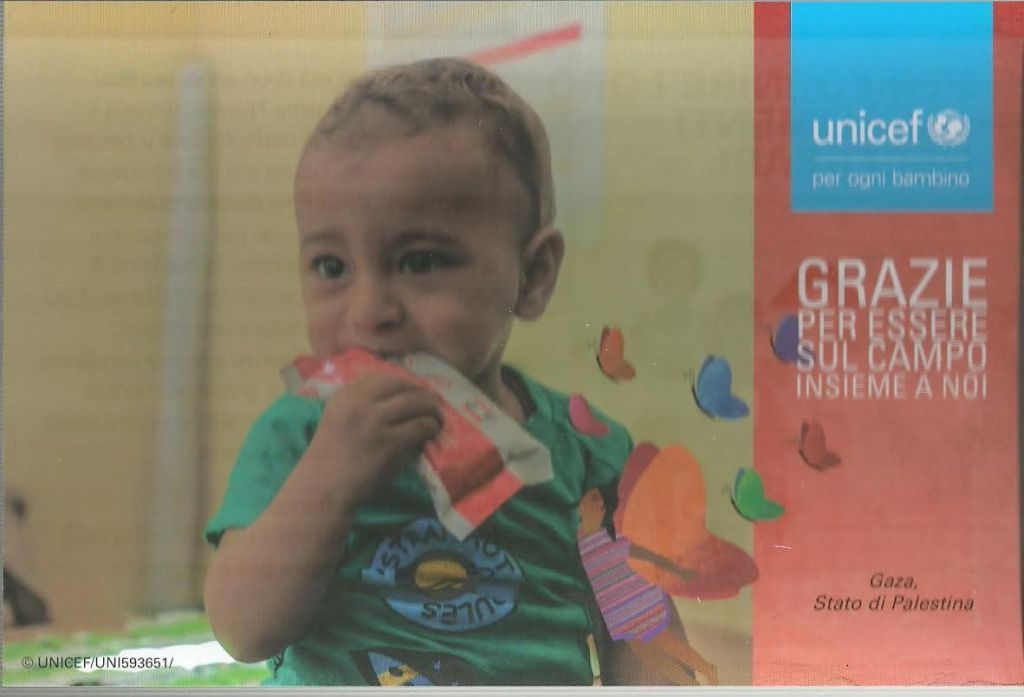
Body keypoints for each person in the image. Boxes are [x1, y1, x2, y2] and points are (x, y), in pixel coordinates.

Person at [202, 57, 637, 685]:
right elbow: (243, 630)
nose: (368, 311)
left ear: (533, 275)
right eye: (331, 267)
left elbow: (641, 630)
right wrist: (332, 475)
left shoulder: (588, 452)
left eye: (421, 261)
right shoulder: (297, 434)